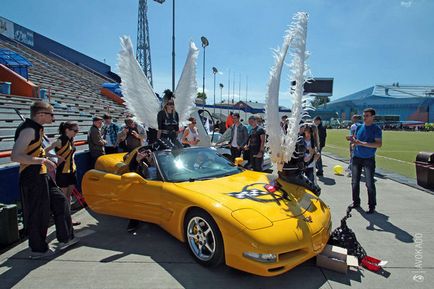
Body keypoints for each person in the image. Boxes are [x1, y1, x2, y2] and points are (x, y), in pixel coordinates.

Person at [11, 101, 77, 259]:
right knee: (38, 213)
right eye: (51, 114)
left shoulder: (37, 129)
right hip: (32, 176)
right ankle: (38, 249)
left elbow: (34, 151)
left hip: (42, 174)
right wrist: (42, 161)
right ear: (41, 115)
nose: (53, 118)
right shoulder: (28, 130)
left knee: (61, 201)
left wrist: (48, 156)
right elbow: (15, 155)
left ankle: (65, 238)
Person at [44, 121, 81, 226]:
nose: (76, 132)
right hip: (63, 171)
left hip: (72, 170)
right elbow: (44, 151)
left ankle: (68, 218)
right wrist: (56, 157)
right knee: (64, 197)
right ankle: (63, 219)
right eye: (75, 130)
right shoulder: (59, 141)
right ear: (67, 130)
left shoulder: (71, 140)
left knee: (68, 196)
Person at [349, 108, 382, 214]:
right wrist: (353, 142)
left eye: (367, 115)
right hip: (356, 157)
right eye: (364, 115)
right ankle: (356, 202)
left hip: (368, 158)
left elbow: (378, 144)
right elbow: (355, 139)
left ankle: (372, 206)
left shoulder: (376, 129)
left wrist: (362, 143)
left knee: (369, 183)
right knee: (354, 182)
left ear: (373, 117)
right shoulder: (358, 127)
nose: (365, 117)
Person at [278, 124, 321, 197]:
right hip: (293, 174)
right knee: (316, 190)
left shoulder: (286, 140)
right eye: (305, 130)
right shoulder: (300, 141)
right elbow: (301, 165)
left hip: (284, 172)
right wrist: (312, 157)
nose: (306, 133)